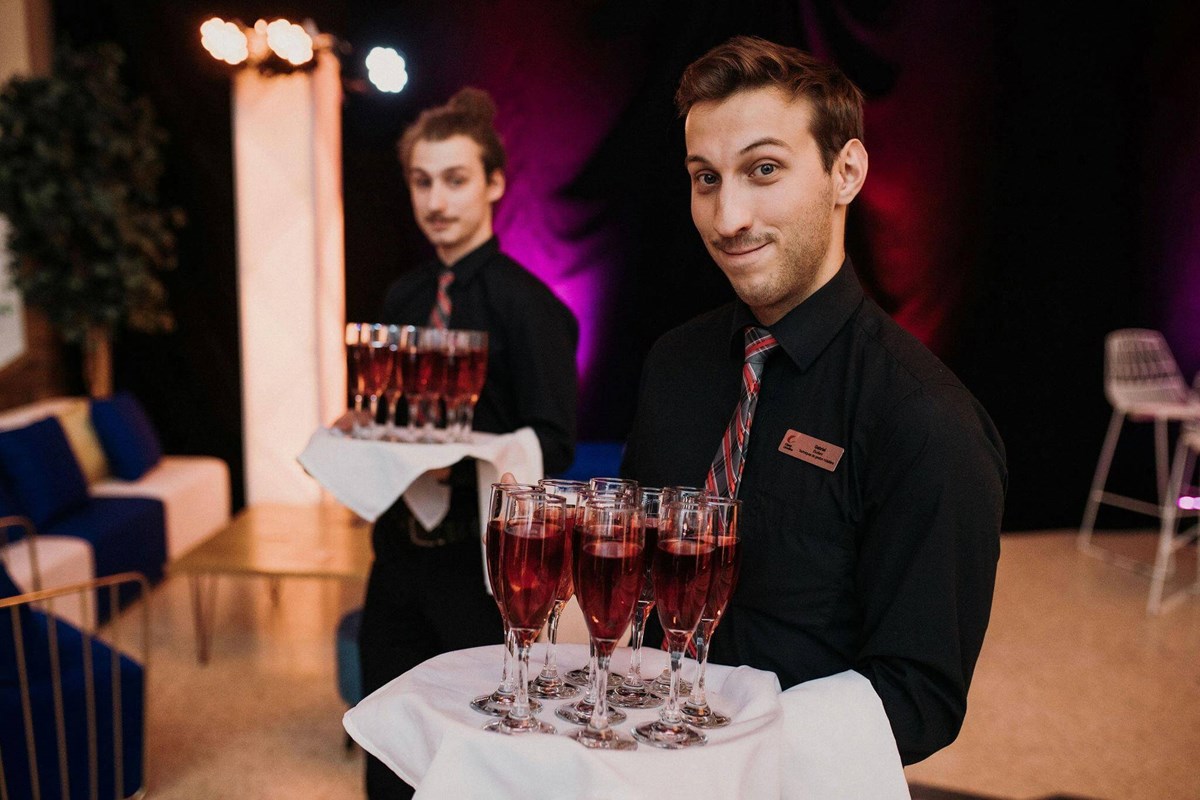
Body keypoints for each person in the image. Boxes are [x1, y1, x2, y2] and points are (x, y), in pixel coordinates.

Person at [621, 35, 1007, 765]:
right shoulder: (673, 364)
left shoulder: (926, 418)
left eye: (763, 169)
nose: (728, 217)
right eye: (706, 178)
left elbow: (921, 693)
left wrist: (736, 749)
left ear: (847, 171)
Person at [358, 87, 578, 799]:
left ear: (493, 183)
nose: (436, 200)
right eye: (422, 181)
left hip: (476, 574)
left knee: (470, 759)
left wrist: (473, 453)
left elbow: (556, 440)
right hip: (395, 559)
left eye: (455, 179)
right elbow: (384, 410)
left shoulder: (530, 305)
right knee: (388, 747)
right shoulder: (400, 297)